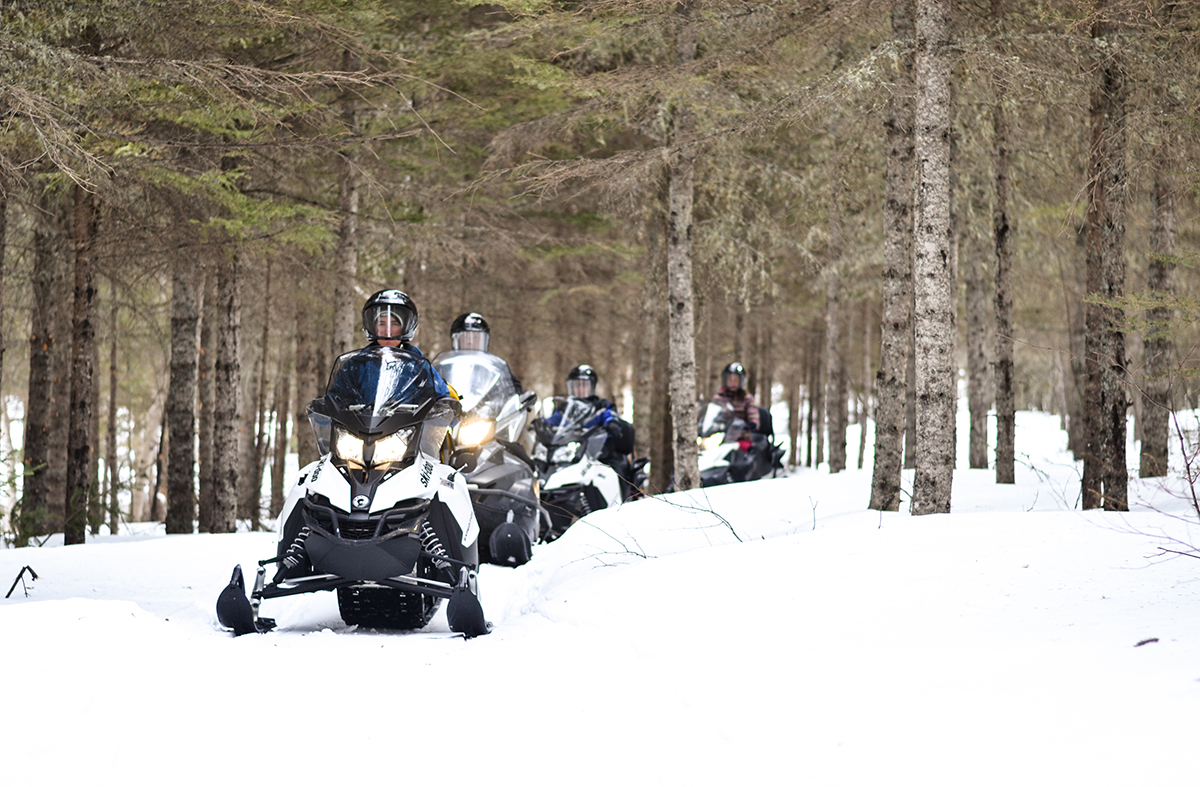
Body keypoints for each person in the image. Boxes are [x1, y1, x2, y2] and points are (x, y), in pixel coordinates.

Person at [322, 289, 458, 457]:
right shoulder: (356, 365)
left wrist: (444, 409)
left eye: (394, 324)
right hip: (359, 442)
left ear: (406, 326)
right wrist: (324, 409)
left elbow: (442, 398)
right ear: (372, 326)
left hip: (408, 443)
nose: (388, 331)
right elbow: (335, 399)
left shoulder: (419, 365)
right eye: (381, 324)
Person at [548, 364, 636, 494]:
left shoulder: (600, 405)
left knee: (616, 471)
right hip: (572, 452)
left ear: (592, 386)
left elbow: (610, 415)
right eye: (577, 385)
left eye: (584, 385)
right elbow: (554, 421)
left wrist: (612, 423)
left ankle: (622, 498)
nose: (581, 389)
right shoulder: (565, 408)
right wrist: (541, 425)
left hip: (599, 453)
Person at [711, 361, 760, 450]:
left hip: (740, 438)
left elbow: (753, 414)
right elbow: (710, 415)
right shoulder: (718, 398)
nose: (733, 382)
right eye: (730, 379)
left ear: (741, 381)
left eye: (736, 379)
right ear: (725, 379)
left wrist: (752, 423)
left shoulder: (746, 398)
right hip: (719, 438)